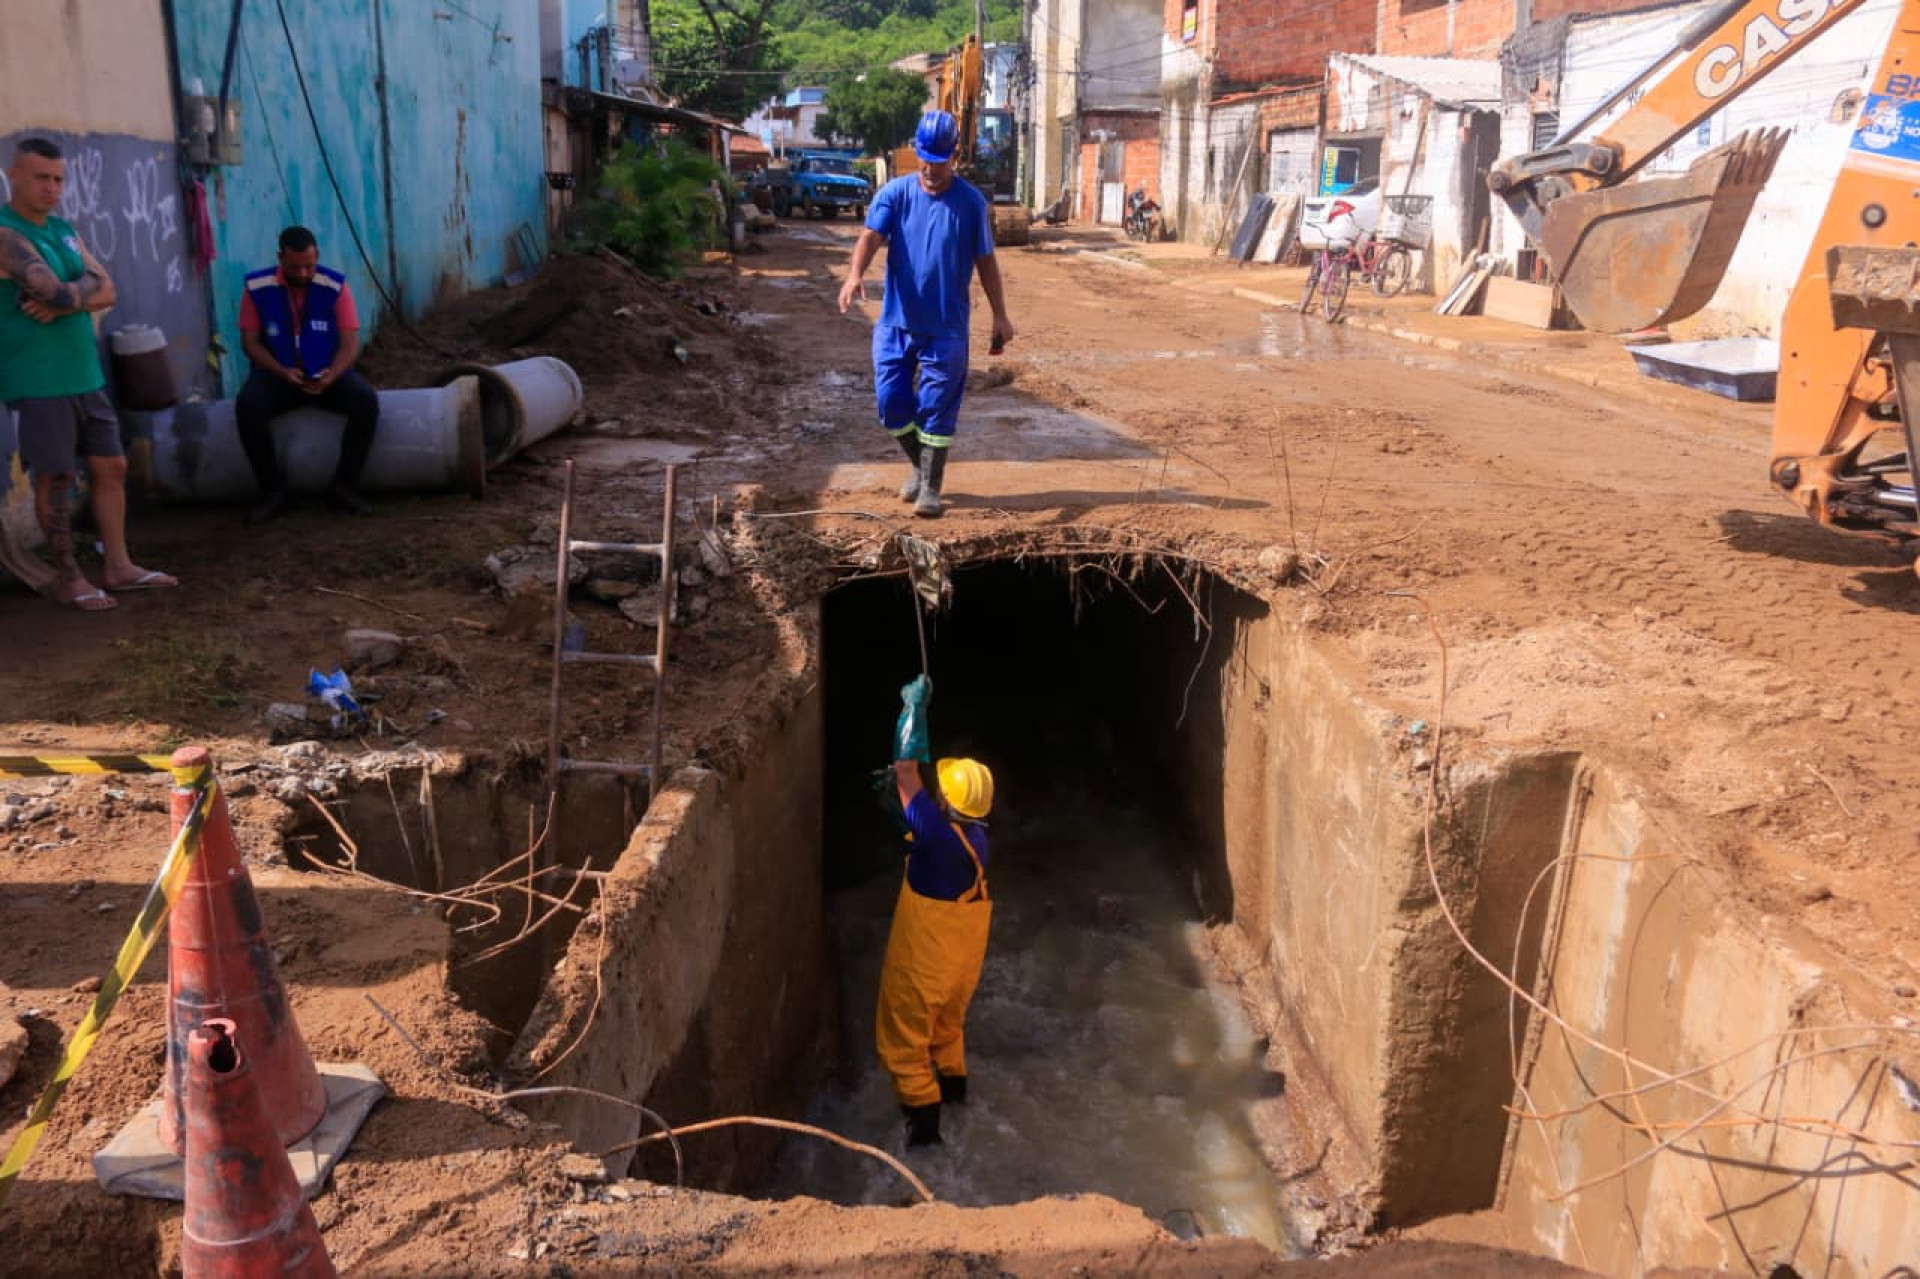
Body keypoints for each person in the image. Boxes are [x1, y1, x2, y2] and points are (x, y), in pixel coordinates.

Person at [0, 137, 177, 611]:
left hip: (84, 372)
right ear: (15, 176)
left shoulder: (61, 229)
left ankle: (118, 565)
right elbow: (59, 290)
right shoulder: (5, 233)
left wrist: (68, 298)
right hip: (36, 379)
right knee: (56, 479)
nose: (52, 188)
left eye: (59, 179)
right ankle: (70, 577)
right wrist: (76, 294)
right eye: (42, 178)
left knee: (111, 467)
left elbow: (106, 289)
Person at [838, 110, 1015, 518]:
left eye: (939, 161)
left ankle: (931, 488)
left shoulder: (971, 203)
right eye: (924, 159)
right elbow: (870, 237)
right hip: (896, 322)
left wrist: (1000, 316)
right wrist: (853, 275)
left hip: (946, 328)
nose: (930, 169)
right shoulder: (895, 194)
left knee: (937, 405)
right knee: (890, 402)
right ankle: (920, 467)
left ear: (954, 155)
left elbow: (987, 262)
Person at [875, 673, 996, 1148]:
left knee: (904, 1046)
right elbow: (922, 822)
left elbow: (906, 772)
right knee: (946, 1032)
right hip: (959, 967)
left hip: (923, 967)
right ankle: (957, 1097)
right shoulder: (975, 838)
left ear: (949, 802)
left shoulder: (940, 836)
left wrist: (912, 714)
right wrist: (909, 814)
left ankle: (926, 1139)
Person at [235, 225, 379, 523]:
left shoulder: (335, 286)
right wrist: (282, 371)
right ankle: (273, 491)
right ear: (280, 258)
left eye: (309, 266)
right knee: (248, 406)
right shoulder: (257, 288)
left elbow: (350, 342)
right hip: (277, 375)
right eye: (294, 267)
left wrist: (332, 374)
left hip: (325, 374)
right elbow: (249, 343)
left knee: (365, 401)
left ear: (318, 258)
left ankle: (344, 487)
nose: (302, 274)